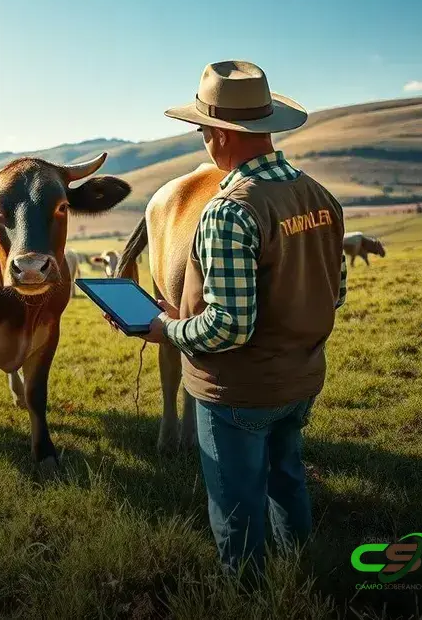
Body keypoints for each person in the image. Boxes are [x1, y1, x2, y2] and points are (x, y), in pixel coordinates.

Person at [112, 60, 348, 576]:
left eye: (202, 129)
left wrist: (164, 329)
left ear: (219, 134)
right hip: (302, 377)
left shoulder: (228, 210)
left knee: (237, 509)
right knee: (288, 477)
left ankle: (248, 593)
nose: (202, 139)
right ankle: (302, 573)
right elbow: (333, 293)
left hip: (236, 391)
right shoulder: (321, 197)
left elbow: (227, 328)